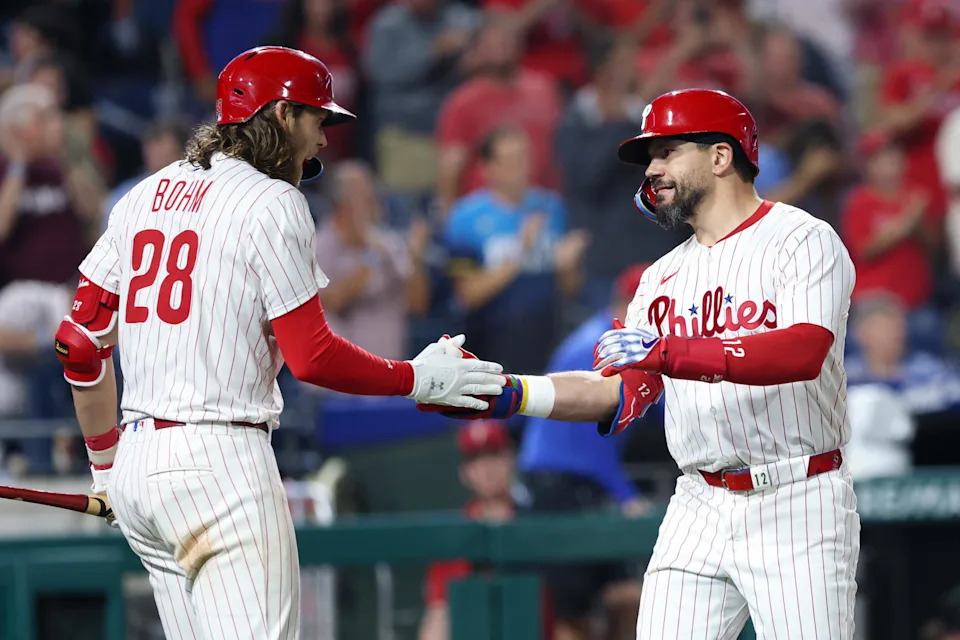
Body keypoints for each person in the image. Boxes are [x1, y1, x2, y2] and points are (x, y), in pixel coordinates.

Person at [53, 46, 505, 640]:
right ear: (282, 113)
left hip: (139, 466)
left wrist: (106, 467)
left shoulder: (142, 195)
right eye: (317, 120)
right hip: (222, 464)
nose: (322, 140)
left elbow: (80, 344)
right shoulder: (275, 202)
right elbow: (311, 356)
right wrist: (415, 378)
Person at [421, 88, 860, 638]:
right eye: (649, 158)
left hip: (797, 496)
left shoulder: (802, 239)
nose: (651, 170)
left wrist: (671, 352)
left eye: (667, 152)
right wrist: (509, 392)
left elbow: (802, 351)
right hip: (699, 499)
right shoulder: (658, 279)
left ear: (721, 157)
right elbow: (618, 389)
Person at [518, 263, 652, 640]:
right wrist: (626, 496)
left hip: (579, 483)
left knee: (625, 595)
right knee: (572, 614)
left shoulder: (620, 341)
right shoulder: (599, 344)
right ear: (629, 303)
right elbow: (589, 444)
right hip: (558, 485)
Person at [418, 420, 553, 640]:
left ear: (511, 458)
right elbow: (439, 614)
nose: (486, 469)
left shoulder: (540, 523)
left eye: (493, 455)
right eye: (475, 459)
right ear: (464, 472)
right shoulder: (456, 536)